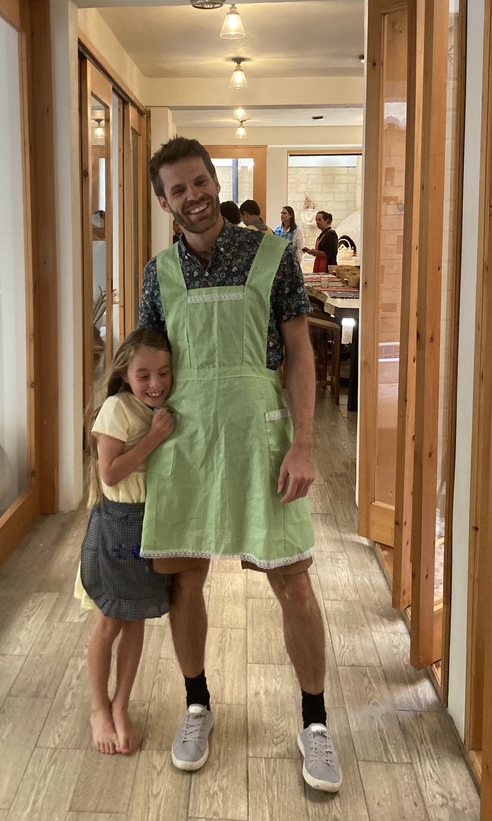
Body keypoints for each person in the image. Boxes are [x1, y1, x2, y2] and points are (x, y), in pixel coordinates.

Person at [138, 136, 342, 793]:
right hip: (185, 441)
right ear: (164, 202)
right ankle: (196, 704)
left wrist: (304, 443)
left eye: (200, 182)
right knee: (185, 581)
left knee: (294, 581)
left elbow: (299, 350)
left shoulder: (272, 255)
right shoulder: (158, 273)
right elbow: (146, 366)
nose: (193, 196)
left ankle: (315, 720)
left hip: (261, 436)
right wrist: (125, 442)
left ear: (214, 183)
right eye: (178, 189)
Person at [76, 327, 176, 756]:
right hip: (118, 526)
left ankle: (121, 704)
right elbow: (110, 473)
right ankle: (98, 707)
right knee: (109, 622)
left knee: (135, 620)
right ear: (125, 375)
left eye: (164, 373)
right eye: (143, 375)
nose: (155, 383)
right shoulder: (118, 409)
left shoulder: (164, 407)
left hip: (150, 525)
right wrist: (154, 438)